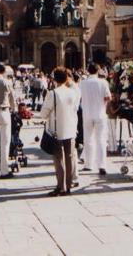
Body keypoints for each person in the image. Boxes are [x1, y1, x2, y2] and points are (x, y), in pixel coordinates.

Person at [40, 66, 80, 196]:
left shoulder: (53, 93)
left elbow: (44, 113)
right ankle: (68, 186)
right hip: (71, 128)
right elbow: (75, 109)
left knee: (58, 158)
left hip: (57, 130)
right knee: (69, 157)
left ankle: (60, 186)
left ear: (54, 79)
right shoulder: (73, 92)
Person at [79, 62, 111, 175]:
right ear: (98, 71)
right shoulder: (103, 82)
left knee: (88, 140)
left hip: (87, 113)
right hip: (100, 113)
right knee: (101, 140)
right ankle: (102, 165)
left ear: (88, 71)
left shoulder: (82, 83)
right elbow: (108, 97)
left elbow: (79, 97)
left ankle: (88, 164)